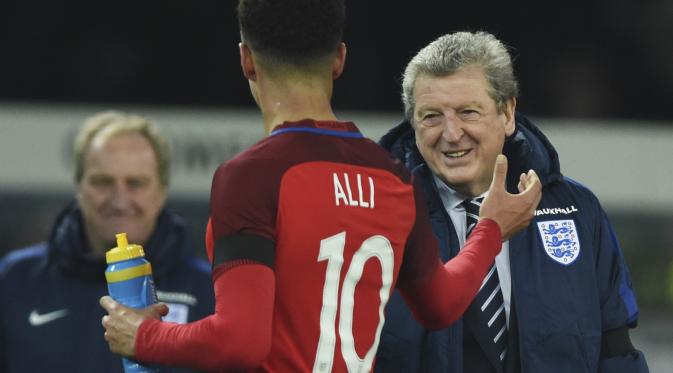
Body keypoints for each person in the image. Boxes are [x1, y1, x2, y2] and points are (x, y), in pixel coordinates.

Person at [97, 1, 541, 372]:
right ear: (339, 60)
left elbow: (240, 342)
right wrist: (490, 231)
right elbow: (440, 305)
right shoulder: (393, 176)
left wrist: (146, 335)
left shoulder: (252, 176)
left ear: (246, 60)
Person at [374, 31, 649, 373]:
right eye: (431, 116)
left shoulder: (579, 212)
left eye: (468, 112)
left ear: (507, 114)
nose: (451, 133)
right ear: (412, 123)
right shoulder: (375, 220)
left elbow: (616, 353)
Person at [0, 111, 215, 373]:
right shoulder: (15, 279)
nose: (119, 199)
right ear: (78, 186)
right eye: (103, 182)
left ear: (161, 192)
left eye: (136, 183)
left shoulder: (210, 293)